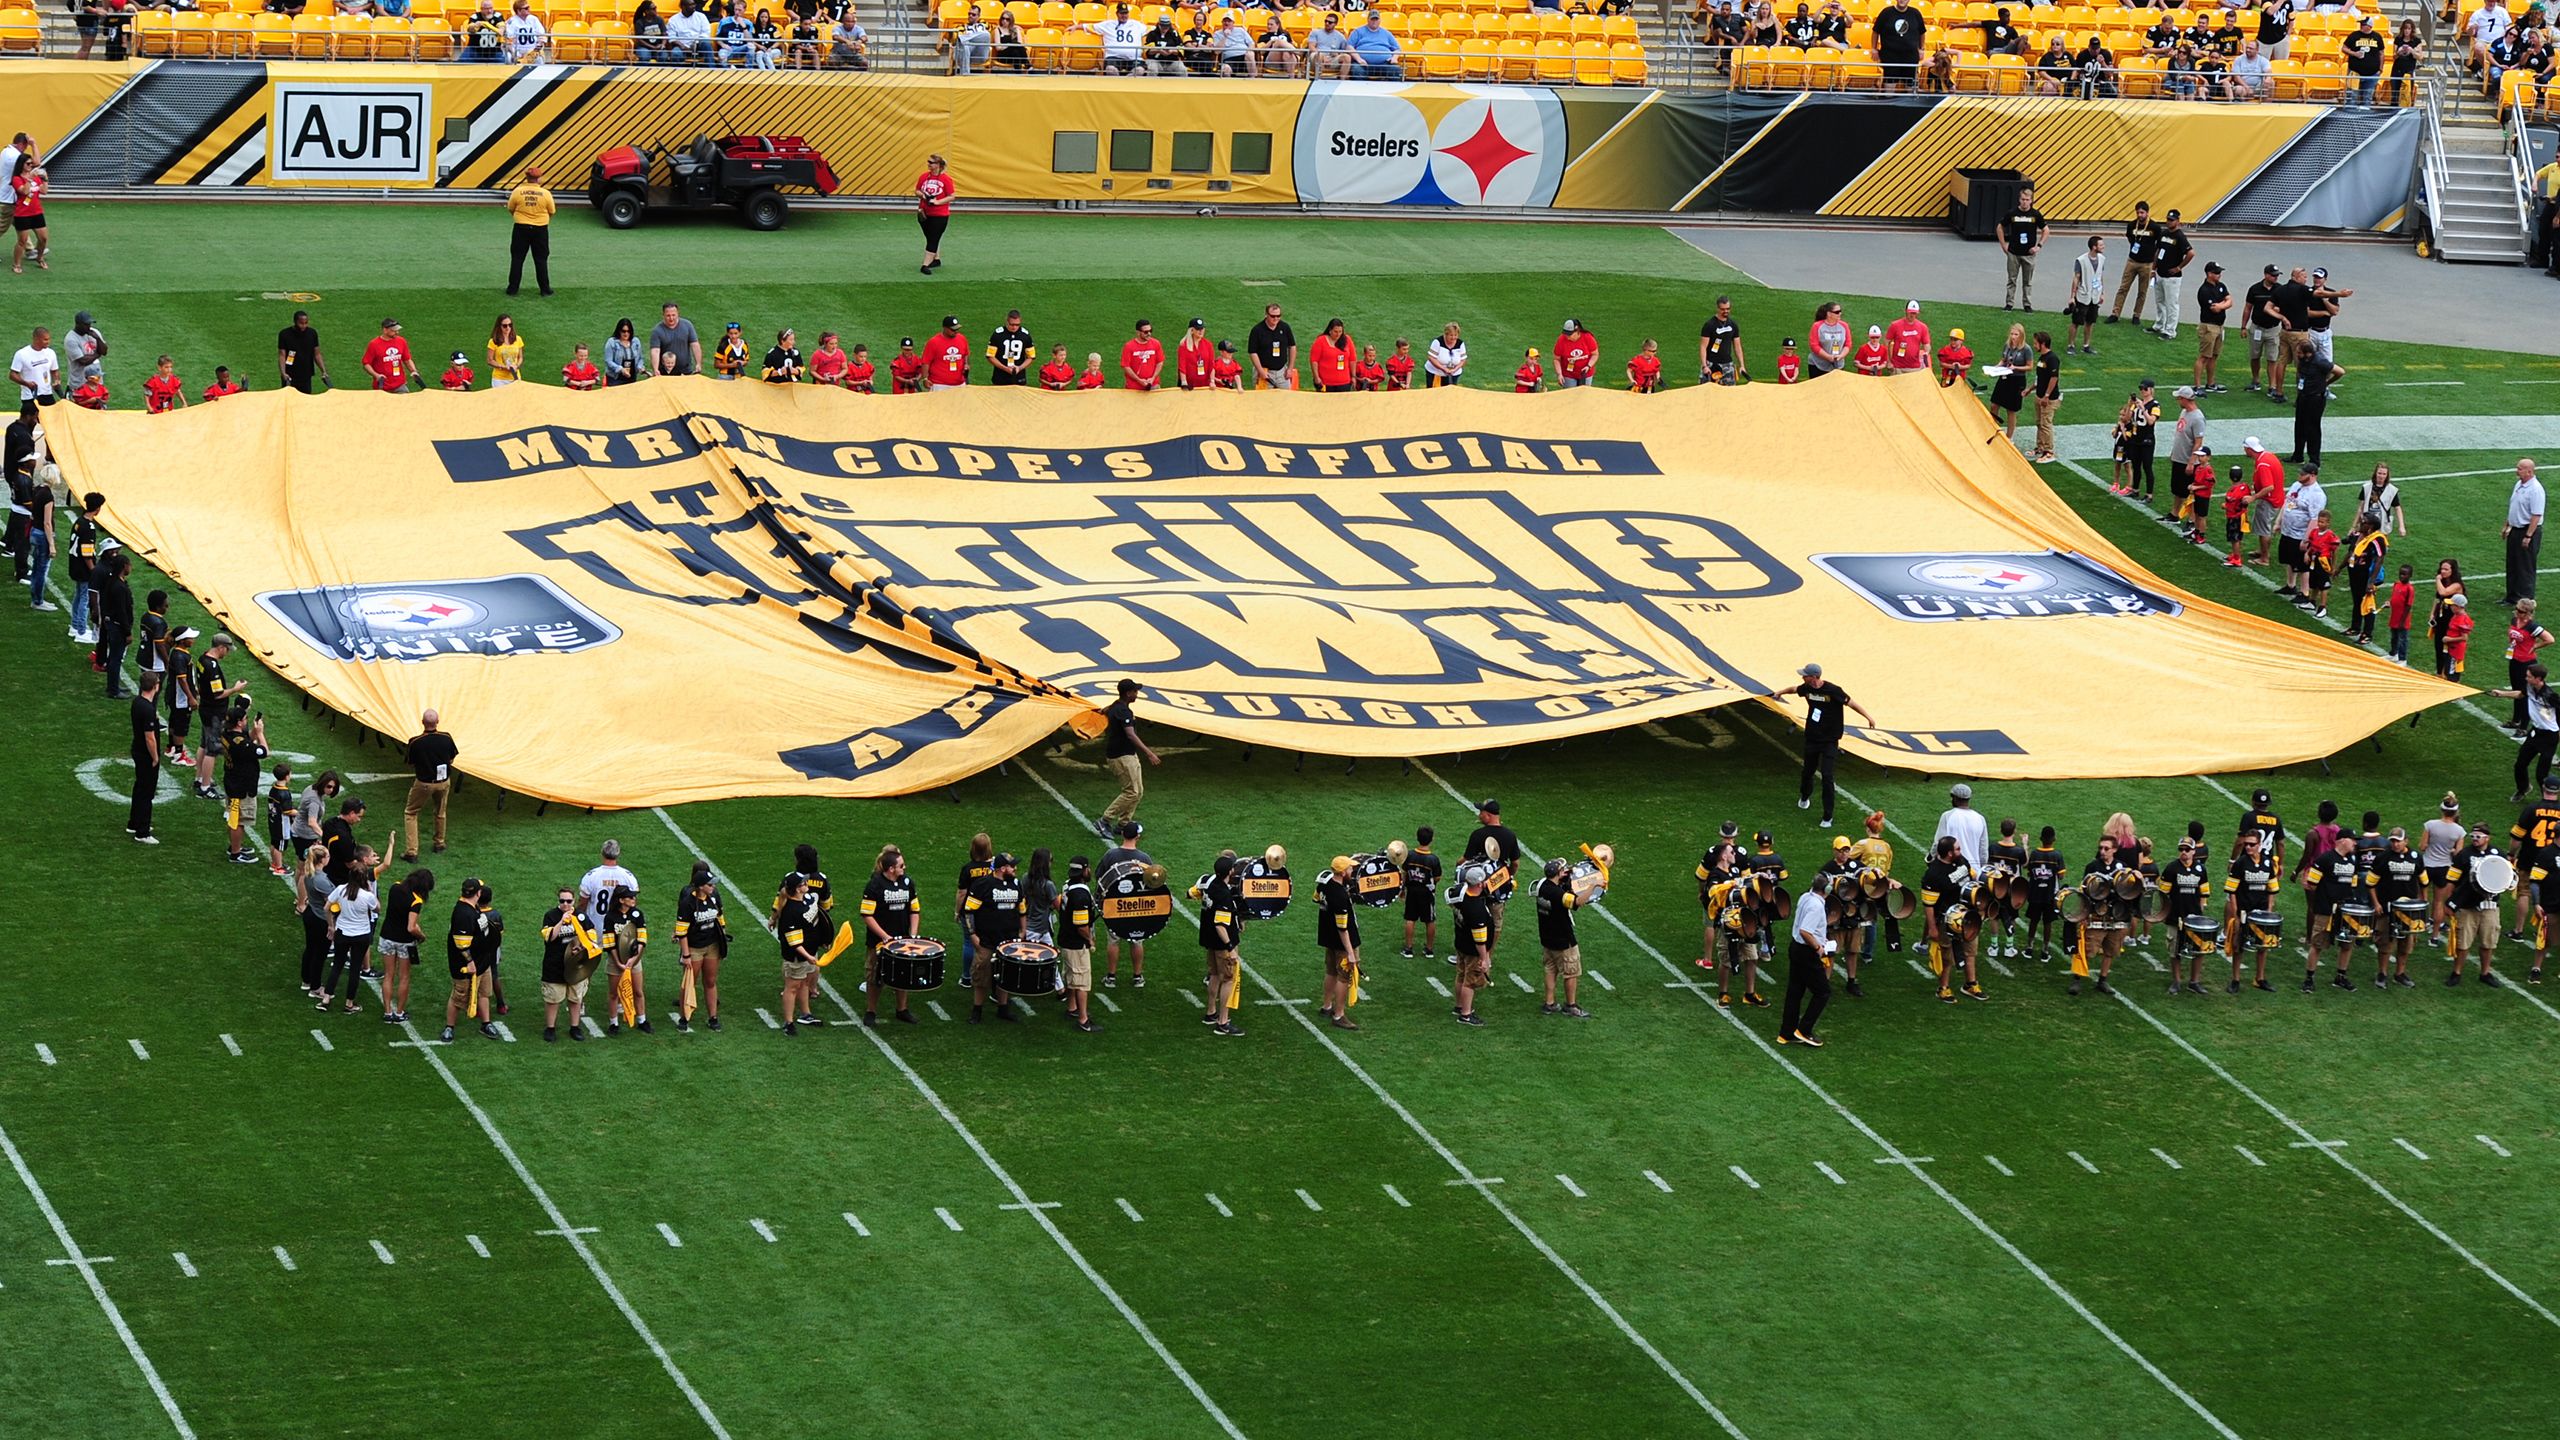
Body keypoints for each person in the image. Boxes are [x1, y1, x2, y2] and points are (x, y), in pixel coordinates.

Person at [1789, 662, 1874, 829]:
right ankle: (1805, 796)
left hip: (1829, 741)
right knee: (1808, 771)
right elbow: (1793, 689)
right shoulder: (1807, 688)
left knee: (1827, 776)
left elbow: (1851, 703)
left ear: (1814, 677)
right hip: (1812, 738)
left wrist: (1868, 717)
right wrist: (1778, 693)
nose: (1802, 677)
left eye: (1805, 675)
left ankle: (1828, 816)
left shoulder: (1833, 691)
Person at [320, 848, 386, 1016]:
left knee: (338, 966)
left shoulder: (341, 889)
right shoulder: (367, 896)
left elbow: (327, 907)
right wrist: (372, 892)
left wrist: (331, 925)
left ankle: (326, 998)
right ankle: (349, 1003)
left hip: (343, 932)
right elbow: (378, 909)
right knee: (355, 969)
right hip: (361, 935)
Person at [2441, 827, 2508, 986]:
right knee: (2463, 943)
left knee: (2488, 942)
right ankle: (2456, 972)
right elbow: (2452, 880)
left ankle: (2485, 973)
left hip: (2490, 905)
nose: (2475, 839)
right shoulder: (2464, 855)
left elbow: (2506, 876)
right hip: (2467, 906)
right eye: (2473, 836)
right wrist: (2448, 902)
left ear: (2487, 838)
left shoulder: (2498, 854)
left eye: (2479, 836)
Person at [1778, 872, 1836, 1048]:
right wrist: (1818, 947)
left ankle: (1786, 1033)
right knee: (1822, 992)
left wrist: (1820, 939)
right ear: (1826, 888)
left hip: (1796, 948)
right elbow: (1805, 931)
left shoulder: (1805, 897)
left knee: (1795, 991)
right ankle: (1804, 1030)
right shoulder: (1816, 906)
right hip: (1807, 952)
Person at [1096, 677, 1158, 836]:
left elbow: (1106, 710)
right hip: (1121, 756)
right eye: (1135, 691)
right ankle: (1105, 820)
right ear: (1128, 693)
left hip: (1127, 754)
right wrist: (1149, 753)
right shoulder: (1123, 711)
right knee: (1131, 792)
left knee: (1138, 791)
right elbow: (1130, 734)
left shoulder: (1116, 706)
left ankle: (1124, 824)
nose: (1137, 694)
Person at [2488, 663, 2560, 799]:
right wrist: (2501, 693)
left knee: (2541, 774)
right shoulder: (2530, 687)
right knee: (2520, 765)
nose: (2526, 678)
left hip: (2549, 737)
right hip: (2535, 733)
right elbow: (2520, 694)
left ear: (2538, 679)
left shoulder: (2550, 696)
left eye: (2529, 676)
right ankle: (2523, 788)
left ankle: (2548, 800)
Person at [395, 709, 459, 861]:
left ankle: (412, 851)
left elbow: (410, 763)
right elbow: (451, 759)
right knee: (440, 812)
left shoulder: (415, 742)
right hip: (444, 782)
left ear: (423, 722)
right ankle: (439, 843)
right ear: (438, 721)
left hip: (424, 783)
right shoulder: (446, 737)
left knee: (411, 813)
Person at [1532, 857, 1589, 1020]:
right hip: (1563, 940)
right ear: (1557, 873)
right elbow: (1577, 902)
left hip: (1547, 937)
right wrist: (1593, 886)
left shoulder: (1543, 885)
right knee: (1571, 973)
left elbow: (1559, 887)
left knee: (1550, 969)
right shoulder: (1558, 894)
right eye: (1563, 870)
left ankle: (1549, 1003)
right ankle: (1571, 1006)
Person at [671, 862, 726, 1032]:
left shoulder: (714, 896)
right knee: (689, 983)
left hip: (712, 945)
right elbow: (681, 931)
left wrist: (723, 933)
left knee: (710, 981)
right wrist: (686, 955)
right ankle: (684, 1017)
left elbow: (720, 917)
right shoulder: (688, 902)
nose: (713, 887)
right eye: (710, 885)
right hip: (694, 947)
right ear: (701, 887)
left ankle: (713, 1017)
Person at [378, 866, 435, 1025]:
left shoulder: (395, 887)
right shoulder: (416, 901)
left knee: (388, 975)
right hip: (405, 942)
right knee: (404, 977)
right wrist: (422, 936)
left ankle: (387, 1012)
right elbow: (411, 927)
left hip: (387, 936)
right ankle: (399, 1012)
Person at [1464, 798, 1522, 955]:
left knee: (1472, 918)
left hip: (1477, 886)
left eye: (1481, 812)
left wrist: (1458, 865)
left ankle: (1470, 951)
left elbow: (1466, 860)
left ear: (1488, 815)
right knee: (1496, 922)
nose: (1479, 815)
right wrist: (1507, 875)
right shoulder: (1510, 835)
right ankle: (1488, 954)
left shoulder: (1478, 834)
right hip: (1498, 886)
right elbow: (1515, 863)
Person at [1196, 852, 1245, 1035]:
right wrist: (1230, 946)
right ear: (1230, 871)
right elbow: (1220, 925)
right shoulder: (1224, 895)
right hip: (1222, 944)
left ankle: (1211, 1012)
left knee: (1214, 975)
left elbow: (1190, 893)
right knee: (1228, 980)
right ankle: (1223, 1022)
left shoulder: (1209, 884)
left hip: (1209, 940)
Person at [539, 883, 596, 1041]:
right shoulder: (551, 915)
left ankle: (575, 1027)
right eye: (562, 901)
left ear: (574, 901)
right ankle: (550, 1028)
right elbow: (549, 937)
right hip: (554, 965)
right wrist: (561, 922)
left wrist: (581, 949)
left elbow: (591, 938)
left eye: (569, 901)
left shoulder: (581, 916)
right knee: (553, 999)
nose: (565, 904)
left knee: (575, 998)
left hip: (576, 966)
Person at [1099, 820, 1150, 988]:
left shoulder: (1110, 855)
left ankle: (1111, 977)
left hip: (1114, 905)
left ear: (1122, 834)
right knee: (1136, 940)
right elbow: (1152, 885)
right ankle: (1137, 976)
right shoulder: (1144, 858)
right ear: (1138, 836)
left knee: (1113, 940)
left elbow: (1100, 878)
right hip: (1136, 907)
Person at [772, 870, 824, 1035]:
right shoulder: (790, 911)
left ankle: (806, 1014)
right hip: (798, 956)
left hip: (810, 951)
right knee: (792, 987)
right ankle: (788, 1022)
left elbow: (815, 923)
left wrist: (822, 941)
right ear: (796, 889)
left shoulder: (806, 900)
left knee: (805, 984)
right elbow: (794, 942)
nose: (806, 884)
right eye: (803, 883)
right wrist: (808, 957)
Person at [1316, 855, 1363, 1028]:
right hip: (1341, 942)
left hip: (1327, 937)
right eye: (1350, 869)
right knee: (1343, 977)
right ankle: (1339, 1015)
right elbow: (1343, 929)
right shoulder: (1340, 897)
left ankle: (1327, 1006)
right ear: (1343, 872)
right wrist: (1350, 952)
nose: (1352, 871)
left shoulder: (1324, 884)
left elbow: (1316, 898)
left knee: (1330, 972)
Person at [1449, 862, 1494, 1027]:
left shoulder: (1460, 896)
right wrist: (1485, 958)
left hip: (1461, 943)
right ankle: (1466, 1014)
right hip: (1472, 949)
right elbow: (1480, 940)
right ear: (1480, 883)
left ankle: (1459, 1006)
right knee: (1470, 981)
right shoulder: (1476, 909)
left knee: (1460, 975)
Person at [127, 667, 165, 845]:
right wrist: (156, 757)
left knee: (139, 788)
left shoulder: (137, 702)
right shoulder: (147, 709)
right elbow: (150, 737)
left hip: (138, 750)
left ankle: (134, 823)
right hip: (145, 755)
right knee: (146, 792)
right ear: (155, 686)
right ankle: (142, 831)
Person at [504, 168, 555, 297]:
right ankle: (545, 289)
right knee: (541, 259)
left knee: (517, 258)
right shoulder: (545, 193)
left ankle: (512, 289)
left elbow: (511, 208)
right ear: (539, 179)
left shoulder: (517, 192)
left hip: (521, 228)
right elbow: (552, 211)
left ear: (526, 178)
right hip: (540, 229)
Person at [1997, 183, 2045, 311]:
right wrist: (2003, 245)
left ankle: (2027, 304)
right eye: (2023, 199)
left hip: (2029, 254)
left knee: (2027, 281)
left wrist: (2038, 246)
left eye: (2027, 200)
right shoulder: (2012, 213)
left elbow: (2046, 230)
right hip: (2013, 252)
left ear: (2031, 200)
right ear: (2019, 199)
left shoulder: (2035, 214)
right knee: (2012, 279)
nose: (2025, 202)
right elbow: (2000, 227)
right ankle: (2009, 303)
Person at [1399, 826, 1443, 961]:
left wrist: (1402, 890)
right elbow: (1437, 877)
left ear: (1417, 838)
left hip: (1412, 891)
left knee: (1410, 919)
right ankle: (1429, 949)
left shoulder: (1409, 855)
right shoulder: (1433, 859)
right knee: (1430, 920)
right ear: (1431, 840)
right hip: (1427, 894)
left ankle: (1408, 948)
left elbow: (1404, 873)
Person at [913, 153, 954, 275]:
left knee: (933, 239)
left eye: (931, 163)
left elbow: (952, 196)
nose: (929, 165)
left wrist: (937, 202)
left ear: (938, 165)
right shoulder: (924, 177)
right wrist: (923, 195)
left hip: (940, 214)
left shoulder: (946, 179)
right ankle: (936, 259)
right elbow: (917, 190)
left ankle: (925, 265)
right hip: (924, 212)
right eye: (928, 162)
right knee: (930, 237)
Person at [1988, 322, 2029, 443]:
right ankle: (1993, 428)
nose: (2013, 336)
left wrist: (2016, 367)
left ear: (2021, 335)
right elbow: (2003, 359)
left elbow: (2029, 366)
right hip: (2004, 376)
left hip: (2017, 380)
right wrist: (1996, 367)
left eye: (2016, 334)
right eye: (2011, 334)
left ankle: (2010, 437)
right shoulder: (2007, 346)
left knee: (2011, 409)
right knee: (1994, 404)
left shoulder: (2026, 349)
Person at [8, 146, 45, 275]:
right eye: (28, 164)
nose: (31, 166)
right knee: (22, 241)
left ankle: (39, 257)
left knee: (43, 239)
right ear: (22, 165)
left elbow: (44, 191)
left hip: (37, 212)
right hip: (22, 213)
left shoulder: (36, 177)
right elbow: (24, 191)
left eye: (31, 164)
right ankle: (16, 264)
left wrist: (45, 179)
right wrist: (29, 179)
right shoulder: (17, 179)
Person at [2065, 236, 2105, 356]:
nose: (2103, 247)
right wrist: (2072, 296)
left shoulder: (2102, 259)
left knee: (2090, 321)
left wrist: (2102, 292)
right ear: (2094, 247)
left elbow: (2100, 276)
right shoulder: (2081, 260)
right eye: (2101, 245)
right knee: (2076, 322)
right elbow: (2076, 278)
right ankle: (2071, 345)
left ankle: (2086, 345)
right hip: (2083, 295)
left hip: (2095, 295)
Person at [1933, 781, 1987, 869]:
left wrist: (1931, 859)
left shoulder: (1947, 816)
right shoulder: (1980, 818)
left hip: (1952, 869)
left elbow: (1938, 843)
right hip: (1974, 870)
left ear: (1954, 798)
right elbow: (1983, 850)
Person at [2029, 329, 2062, 464]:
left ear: (2043, 344)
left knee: (2046, 424)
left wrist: (2047, 395)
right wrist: (2029, 389)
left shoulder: (2052, 358)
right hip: (2039, 395)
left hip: (2049, 398)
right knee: (2039, 423)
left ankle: (2049, 452)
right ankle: (2040, 447)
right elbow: (2040, 378)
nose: (2034, 345)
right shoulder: (2042, 358)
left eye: (2036, 343)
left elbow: (2054, 378)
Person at [277, 310, 328, 393]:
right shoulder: (284, 334)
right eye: (301, 323)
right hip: (290, 375)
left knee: (305, 399)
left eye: (306, 323)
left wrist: (323, 371)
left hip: (306, 374)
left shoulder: (312, 333)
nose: (303, 326)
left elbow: (317, 354)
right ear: (295, 322)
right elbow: (282, 355)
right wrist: (283, 373)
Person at [361, 318, 417, 393]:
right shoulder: (374, 344)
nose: (397, 332)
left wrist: (414, 371)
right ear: (385, 330)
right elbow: (366, 364)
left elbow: (407, 359)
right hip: (382, 387)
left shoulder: (401, 341)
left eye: (397, 330)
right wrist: (376, 375)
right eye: (393, 330)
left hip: (400, 385)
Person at [1250, 304, 1299, 390]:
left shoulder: (1285, 327)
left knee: (1286, 399)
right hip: (1265, 372)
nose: (1276, 318)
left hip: (1282, 372)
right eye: (1273, 316)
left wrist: (1290, 368)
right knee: (1263, 400)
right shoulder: (1257, 330)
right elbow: (1253, 352)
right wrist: (1260, 371)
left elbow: (1292, 347)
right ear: (1266, 315)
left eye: (1278, 316)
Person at [1122, 318, 1167, 391]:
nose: (1149, 334)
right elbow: (1126, 366)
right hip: (1134, 387)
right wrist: (1139, 380)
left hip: (1153, 384)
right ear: (1138, 332)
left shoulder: (1156, 343)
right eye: (1146, 332)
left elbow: (1160, 362)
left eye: (1150, 331)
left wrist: (1153, 378)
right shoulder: (1129, 346)